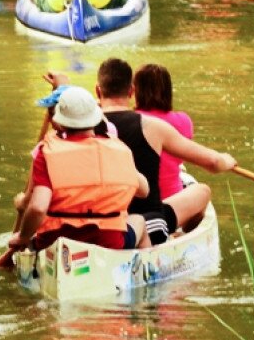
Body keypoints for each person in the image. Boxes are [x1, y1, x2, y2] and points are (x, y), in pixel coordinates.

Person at [45, 59, 236, 246]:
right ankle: (178, 240)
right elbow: (213, 163)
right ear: (131, 91)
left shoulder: (79, 129)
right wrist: (226, 160)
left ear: (98, 90)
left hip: (98, 224)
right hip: (147, 222)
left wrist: (60, 89)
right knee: (202, 191)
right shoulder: (153, 127)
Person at [8, 87, 151, 252]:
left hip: (54, 243)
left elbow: (38, 208)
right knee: (139, 221)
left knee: (32, 238)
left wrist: (23, 237)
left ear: (60, 123)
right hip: (107, 242)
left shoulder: (46, 152)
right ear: (96, 118)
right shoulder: (118, 149)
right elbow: (144, 191)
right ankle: (147, 266)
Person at [133, 64, 195, 200]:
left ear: (135, 90)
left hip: (137, 198)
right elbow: (181, 158)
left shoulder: (129, 120)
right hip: (173, 196)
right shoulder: (184, 120)